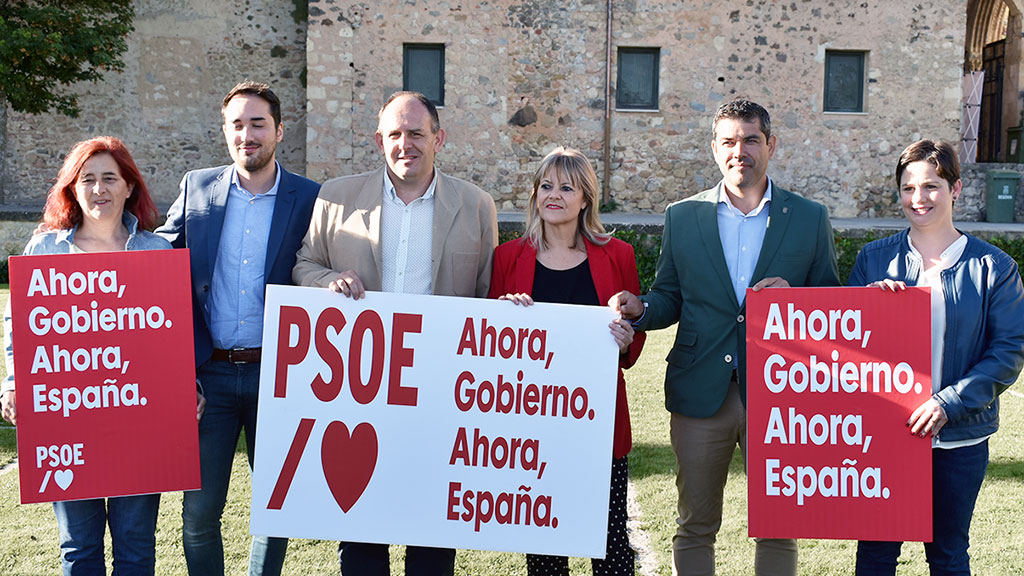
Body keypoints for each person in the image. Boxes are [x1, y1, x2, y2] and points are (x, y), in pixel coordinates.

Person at [609, 99, 840, 576]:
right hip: (699, 392)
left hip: (782, 394)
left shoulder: (809, 217)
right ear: (714, 148)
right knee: (695, 523)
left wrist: (796, 299)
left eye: (751, 140)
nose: (741, 151)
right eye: (729, 141)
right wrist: (641, 308)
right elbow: (669, 296)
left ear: (770, 145)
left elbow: (833, 303)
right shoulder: (682, 216)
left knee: (779, 525)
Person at [292, 90, 498, 576]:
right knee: (361, 530)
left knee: (432, 535)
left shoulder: (475, 205)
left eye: (417, 134)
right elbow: (304, 265)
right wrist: (327, 281)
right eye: (395, 134)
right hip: (359, 391)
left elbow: (488, 294)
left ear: (438, 139)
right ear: (379, 140)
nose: (406, 144)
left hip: (440, 394)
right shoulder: (336, 197)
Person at [0, 136, 199, 575]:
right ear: (72, 189)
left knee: (136, 548)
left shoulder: (156, 251)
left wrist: (190, 388)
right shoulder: (45, 250)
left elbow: (174, 333)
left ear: (130, 186)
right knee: (78, 549)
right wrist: (13, 382)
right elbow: (20, 324)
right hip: (67, 421)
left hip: (141, 424)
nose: (99, 189)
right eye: (87, 179)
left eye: (110, 178)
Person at [155, 80, 321, 576]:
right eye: (237, 125)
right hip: (210, 376)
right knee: (198, 514)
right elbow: (158, 256)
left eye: (258, 124)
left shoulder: (310, 197)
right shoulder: (196, 186)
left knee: (275, 509)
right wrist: (89, 246)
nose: (247, 135)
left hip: (279, 376)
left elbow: (322, 264)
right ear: (225, 130)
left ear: (279, 131)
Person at [849, 139, 1024, 575]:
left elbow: (1008, 351)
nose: (918, 198)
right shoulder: (874, 259)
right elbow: (844, 351)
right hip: (884, 438)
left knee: (947, 555)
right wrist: (864, 308)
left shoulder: (994, 267)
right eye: (908, 188)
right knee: (875, 554)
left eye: (931, 186)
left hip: (959, 440)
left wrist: (948, 403)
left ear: (956, 188)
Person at [488, 147, 645, 575]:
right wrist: (504, 318)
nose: (553, 195)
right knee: (544, 548)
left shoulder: (618, 255)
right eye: (546, 186)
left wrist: (626, 341)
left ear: (585, 198)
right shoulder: (507, 258)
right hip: (532, 427)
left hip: (599, 423)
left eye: (566, 187)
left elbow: (634, 342)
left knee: (610, 544)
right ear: (535, 195)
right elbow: (490, 348)